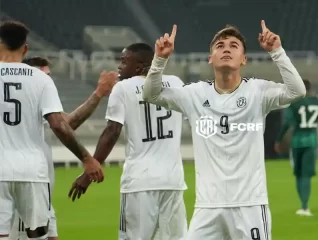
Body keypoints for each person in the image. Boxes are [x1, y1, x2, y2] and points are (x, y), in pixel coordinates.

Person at [142, 21, 306, 240]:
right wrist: (160, 59)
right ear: (211, 58)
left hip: (250, 205)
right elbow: (150, 95)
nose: (226, 48)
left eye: (234, 45)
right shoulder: (194, 94)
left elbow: (297, 91)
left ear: (244, 59)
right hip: (208, 208)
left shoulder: (257, 91)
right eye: (219, 46)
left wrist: (277, 51)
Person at [69, 43, 187, 240]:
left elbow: (112, 132)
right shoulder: (176, 83)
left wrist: (88, 173)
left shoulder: (123, 88)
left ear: (139, 67)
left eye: (124, 62)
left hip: (139, 182)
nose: (119, 67)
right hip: (173, 181)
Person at [0, 20, 104, 240]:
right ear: (25, 48)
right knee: (37, 235)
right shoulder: (41, 79)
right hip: (32, 173)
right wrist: (86, 158)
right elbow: (58, 123)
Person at [8, 56, 117, 240]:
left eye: (49, 76)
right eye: (43, 76)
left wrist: (99, 93)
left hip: (42, 195)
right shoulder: (24, 105)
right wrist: (87, 158)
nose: (47, 81)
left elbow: (66, 123)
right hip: (25, 195)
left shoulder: (38, 105)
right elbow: (65, 124)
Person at [274, 79, 318, 217]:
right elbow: (317, 118)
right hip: (312, 140)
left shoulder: (294, 103)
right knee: (306, 175)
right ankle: (305, 206)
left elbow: (286, 123)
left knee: (298, 173)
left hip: (297, 141)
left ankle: (303, 205)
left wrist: (278, 140)